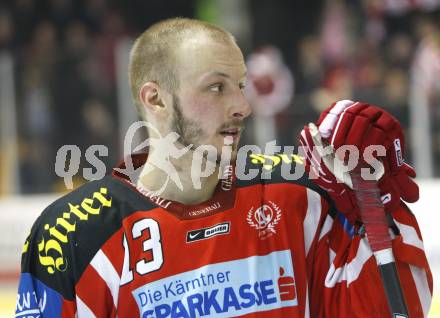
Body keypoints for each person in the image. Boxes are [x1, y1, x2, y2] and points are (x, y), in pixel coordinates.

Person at [16, 18, 432, 317]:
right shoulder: (72, 232)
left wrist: (377, 209)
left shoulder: (300, 190)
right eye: (216, 87)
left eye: (240, 85)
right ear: (155, 99)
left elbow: (397, 308)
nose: (242, 106)